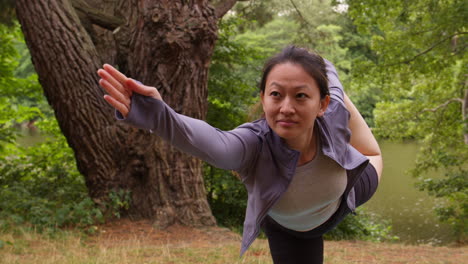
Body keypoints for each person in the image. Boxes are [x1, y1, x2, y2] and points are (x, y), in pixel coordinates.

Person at [97, 45, 383, 264]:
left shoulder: (330, 114)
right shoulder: (253, 143)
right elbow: (214, 144)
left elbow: (331, 85)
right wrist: (159, 117)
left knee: (369, 150)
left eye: (300, 96)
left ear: (321, 105)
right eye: (276, 94)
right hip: (291, 229)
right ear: (262, 98)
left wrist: (325, 65)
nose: (286, 108)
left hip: (349, 191)